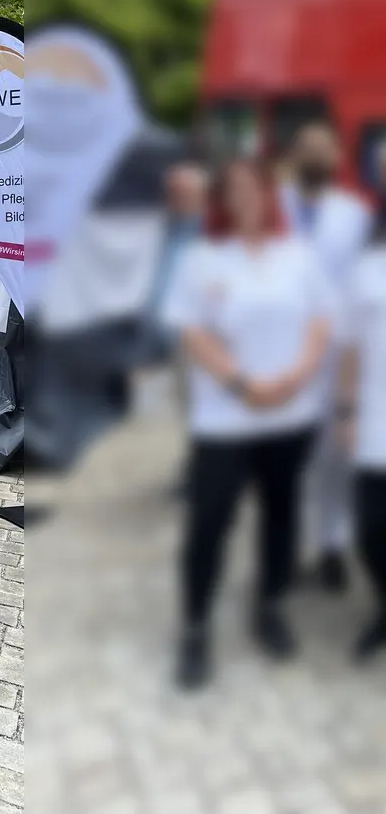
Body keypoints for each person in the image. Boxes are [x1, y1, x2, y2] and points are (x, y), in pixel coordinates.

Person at [162, 157, 335, 689]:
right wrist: (242, 384)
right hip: (226, 420)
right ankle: (195, 627)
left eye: (254, 190)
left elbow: (322, 321)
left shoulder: (300, 257)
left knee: (281, 516)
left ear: (269, 197)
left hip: (290, 415)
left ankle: (270, 607)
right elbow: (194, 333)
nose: (246, 201)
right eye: (233, 191)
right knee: (209, 524)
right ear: (223, 202)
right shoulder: (204, 260)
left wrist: (298, 376)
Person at [279, 122, 372, 592]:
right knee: (286, 462)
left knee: (335, 459)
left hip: (336, 355)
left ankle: (332, 547)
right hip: (280, 355)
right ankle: (288, 551)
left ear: (337, 158)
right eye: (308, 148)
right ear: (296, 155)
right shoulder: (274, 208)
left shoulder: (354, 215)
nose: (317, 156)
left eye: (325, 149)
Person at [337, 210, 386, 661]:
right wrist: (346, 411)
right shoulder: (367, 270)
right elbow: (349, 349)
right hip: (376, 421)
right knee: (371, 532)